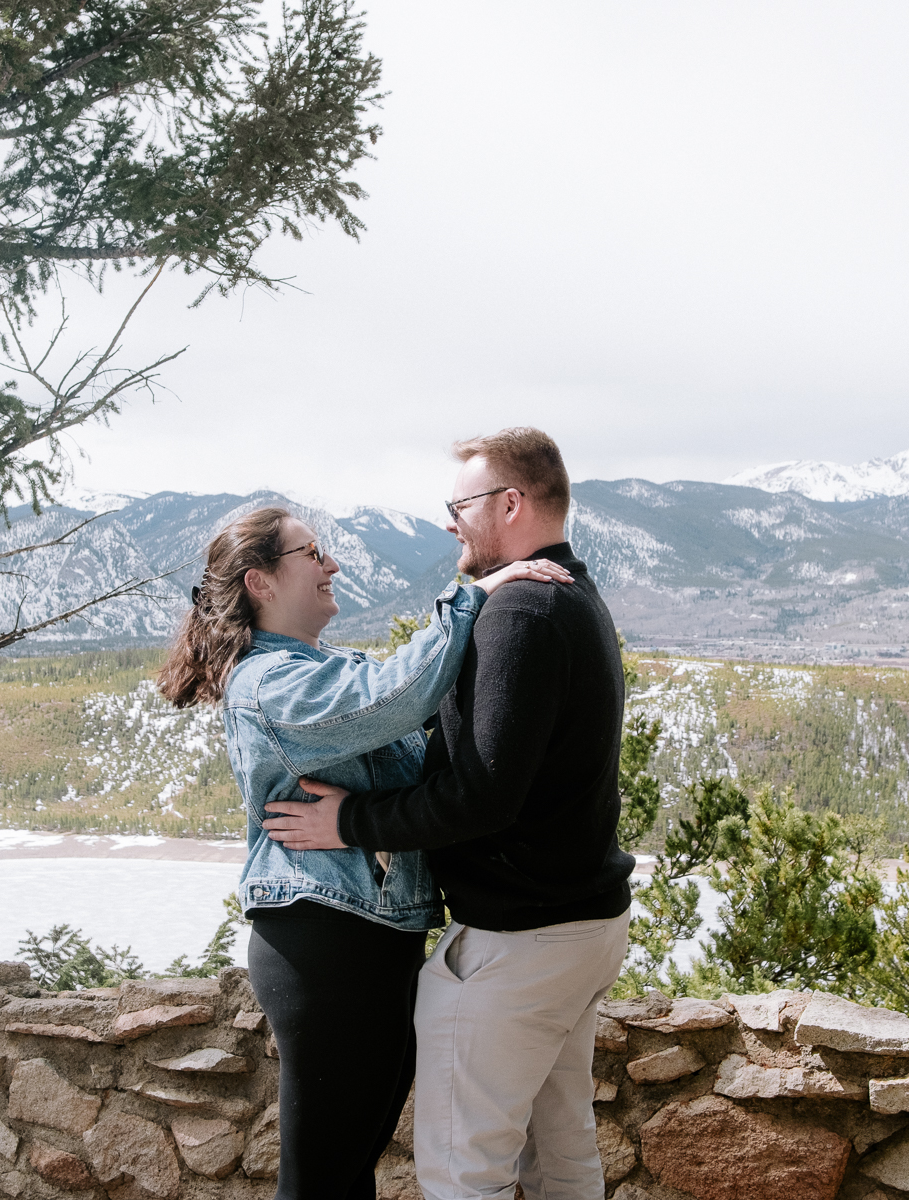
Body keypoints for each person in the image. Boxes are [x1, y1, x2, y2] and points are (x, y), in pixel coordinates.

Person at [157, 505, 571, 1200]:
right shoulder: (269, 686)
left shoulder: (320, 667)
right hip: (325, 943)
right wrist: (473, 595)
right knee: (322, 1180)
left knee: (350, 1173)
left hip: (368, 940)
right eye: (312, 552)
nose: (332, 564)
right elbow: (391, 699)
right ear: (260, 582)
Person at [263, 428, 634, 1200]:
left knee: (464, 1171)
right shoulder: (575, 597)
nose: (446, 522)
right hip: (585, 929)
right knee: (563, 1155)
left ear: (510, 503)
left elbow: (481, 795)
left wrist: (349, 823)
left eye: (457, 505)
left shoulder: (523, 612)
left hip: (520, 944)